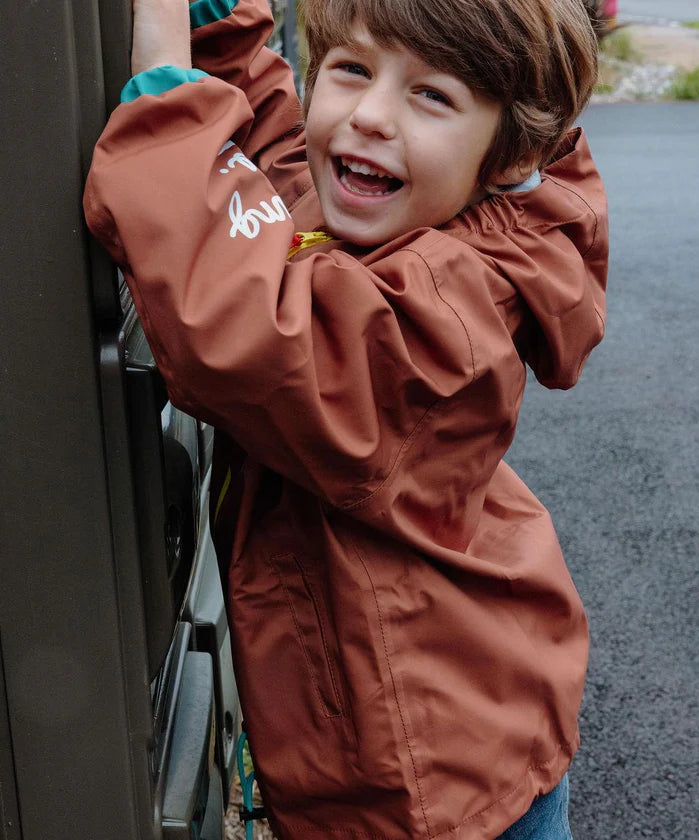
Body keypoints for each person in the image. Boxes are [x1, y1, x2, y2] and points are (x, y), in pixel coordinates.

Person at [83, 0, 608, 837]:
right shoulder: (412, 212)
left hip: (427, 797)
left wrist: (168, 106)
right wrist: (223, 34)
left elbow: (244, 334)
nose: (369, 114)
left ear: (507, 155)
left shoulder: (437, 313)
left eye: (430, 96)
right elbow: (279, 173)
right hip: (466, 734)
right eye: (352, 70)